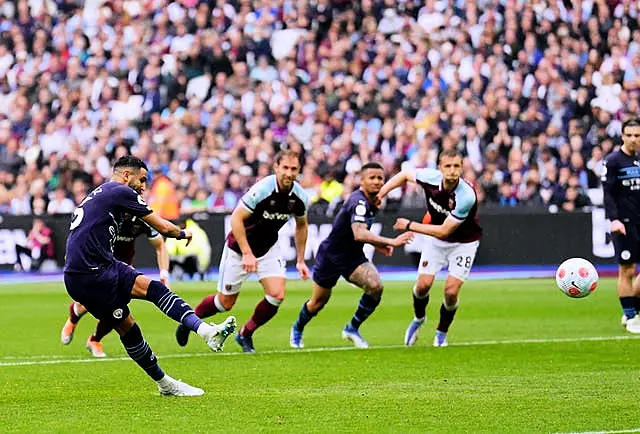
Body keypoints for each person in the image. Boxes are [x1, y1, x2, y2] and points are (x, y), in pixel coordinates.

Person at [63, 155, 236, 396]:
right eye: (142, 180)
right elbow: (163, 227)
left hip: (83, 274)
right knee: (150, 295)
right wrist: (182, 233)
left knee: (130, 324)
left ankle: (172, 376)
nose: (143, 186)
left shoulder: (100, 193)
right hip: (94, 272)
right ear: (126, 175)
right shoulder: (120, 191)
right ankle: (203, 336)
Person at [175, 150, 311, 353]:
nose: (289, 173)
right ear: (276, 168)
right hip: (239, 248)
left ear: (299, 170)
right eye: (285, 168)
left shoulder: (299, 197)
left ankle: (245, 334)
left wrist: (300, 260)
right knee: (224, 303)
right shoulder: (263, 189)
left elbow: (301, 225)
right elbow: (236, 219)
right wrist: (247, 253)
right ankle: (189, 320)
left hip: (267, 248)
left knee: (277, 294)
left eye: (294, 169)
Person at [289, 162, 414, 349]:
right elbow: (359, 233)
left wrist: (378, 245)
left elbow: (360, 232)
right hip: (331, 256)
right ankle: (297, 329)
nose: (377, 182)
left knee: (375, 287)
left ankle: (352, 329)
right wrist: (391, 241)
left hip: (352, 256)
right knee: (317, 303)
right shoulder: (360, 202)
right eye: (372, 178)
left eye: (380, 178)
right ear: (362, 181)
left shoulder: (373, 200)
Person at [377, 149, 482, 347]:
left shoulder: (467, 195)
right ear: (440, 168)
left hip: (464, 243)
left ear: (462, 168)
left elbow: (444, 230)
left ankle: (441, 332)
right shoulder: (429, 178)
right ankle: (419, 318)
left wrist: (409, 225)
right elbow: (404, 175)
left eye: (456, 166)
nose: (452, 171)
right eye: (448, 166)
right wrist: (381, 193)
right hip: (436, 242)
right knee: (423, 285)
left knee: (451, 292)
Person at [60, 211, 171, 358]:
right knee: (96, 303)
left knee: (117, 308)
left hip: (122, 268)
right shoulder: (106, 211)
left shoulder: (143, 216)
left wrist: (164, 275)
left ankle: (95, 340)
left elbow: (160, 246)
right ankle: (75, 313)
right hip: (98, 264)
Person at [601, 118, 640, 333]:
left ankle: (631, 310)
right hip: (624, 223)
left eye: (637, 135)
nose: (634, 139)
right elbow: (608, 193)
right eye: (630, 135)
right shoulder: (614, 161)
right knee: (627, 269)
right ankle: (631, 316)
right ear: (622, 136)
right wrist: (613, 219)